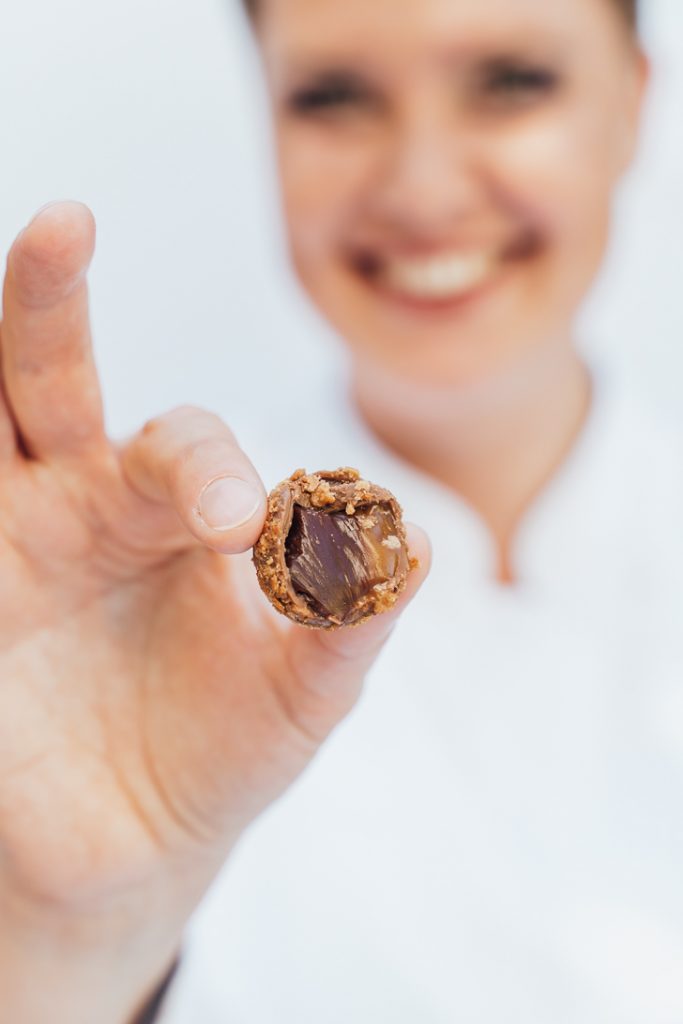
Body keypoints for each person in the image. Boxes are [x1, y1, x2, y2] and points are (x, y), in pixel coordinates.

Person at [1, 0, 681, 1021]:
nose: (421, 186)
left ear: (631, 101)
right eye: (332, 98)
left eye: (509, 82)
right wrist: (63, 953)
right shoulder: (133, 623)